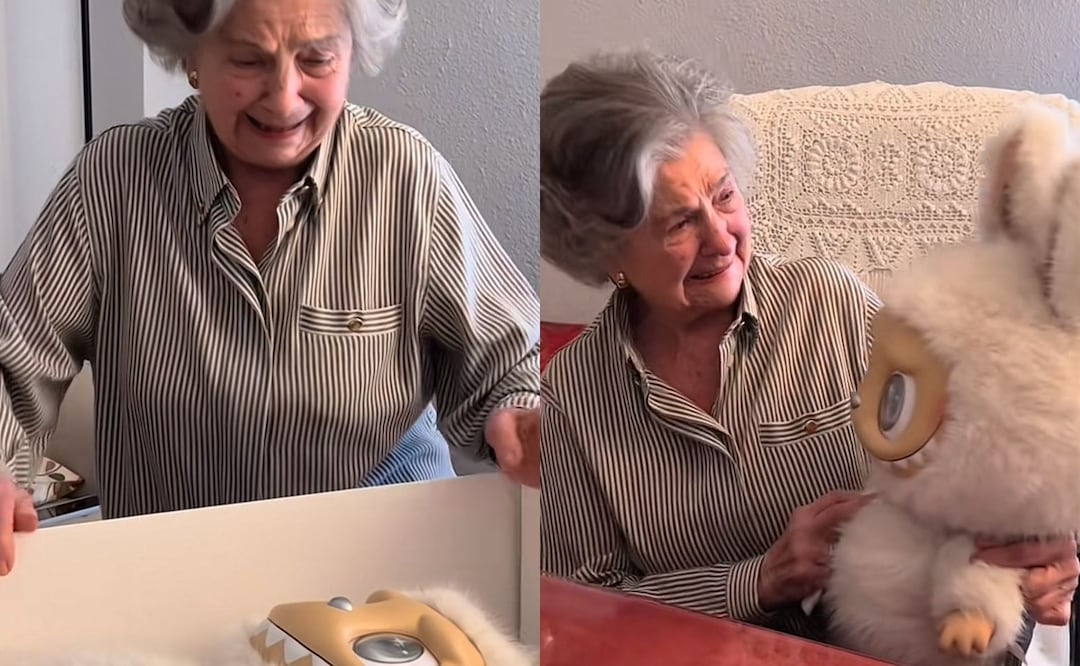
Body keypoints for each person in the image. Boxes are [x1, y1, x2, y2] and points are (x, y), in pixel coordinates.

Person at [538, 48, 1078, 648]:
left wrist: (1047, 543)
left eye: (723, 196)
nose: (721, 239)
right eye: (678, 223)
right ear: (606, 252)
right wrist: (757, 582)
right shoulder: (573, 395)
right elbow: (582, 603)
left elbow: (1007, 436)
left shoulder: (828, 304)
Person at [0, 0, 540, 575]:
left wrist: (518, 411)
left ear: (353, 51)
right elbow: (14, 358)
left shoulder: (405, 177)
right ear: (191, 55)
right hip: (171, 578)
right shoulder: (114, 180)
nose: (284, 97)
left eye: (317, 58)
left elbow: (510, 360)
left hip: (386, 571)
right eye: (247, 60)